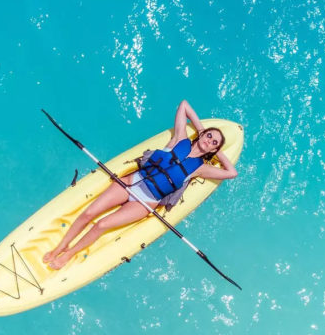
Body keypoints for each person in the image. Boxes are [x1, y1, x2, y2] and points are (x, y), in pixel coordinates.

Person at [42, 100, 238, 270]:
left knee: (101, 224)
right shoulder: (180, 139)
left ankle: (69, 254)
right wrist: (202, 129)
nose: (210, 141)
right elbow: (184, 105)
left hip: (145, 202)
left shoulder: (201, 168)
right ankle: (61, 247)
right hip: (131, 181)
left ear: (214, 149)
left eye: (215, 143)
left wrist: (216, 152)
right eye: (209, 136)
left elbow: (231, 172)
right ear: (202, 135)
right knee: (88, 214)